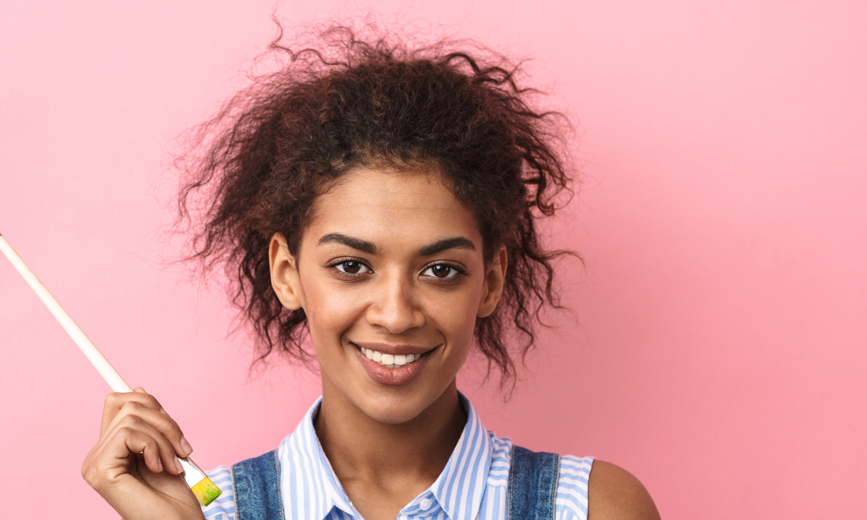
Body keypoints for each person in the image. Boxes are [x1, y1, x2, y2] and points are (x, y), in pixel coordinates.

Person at [81, 24, 660, 520]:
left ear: (492, 280)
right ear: (287, 273)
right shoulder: (204, 511)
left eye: (440, 269)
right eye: (352, 266)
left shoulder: (589, 507)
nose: (395, 313)